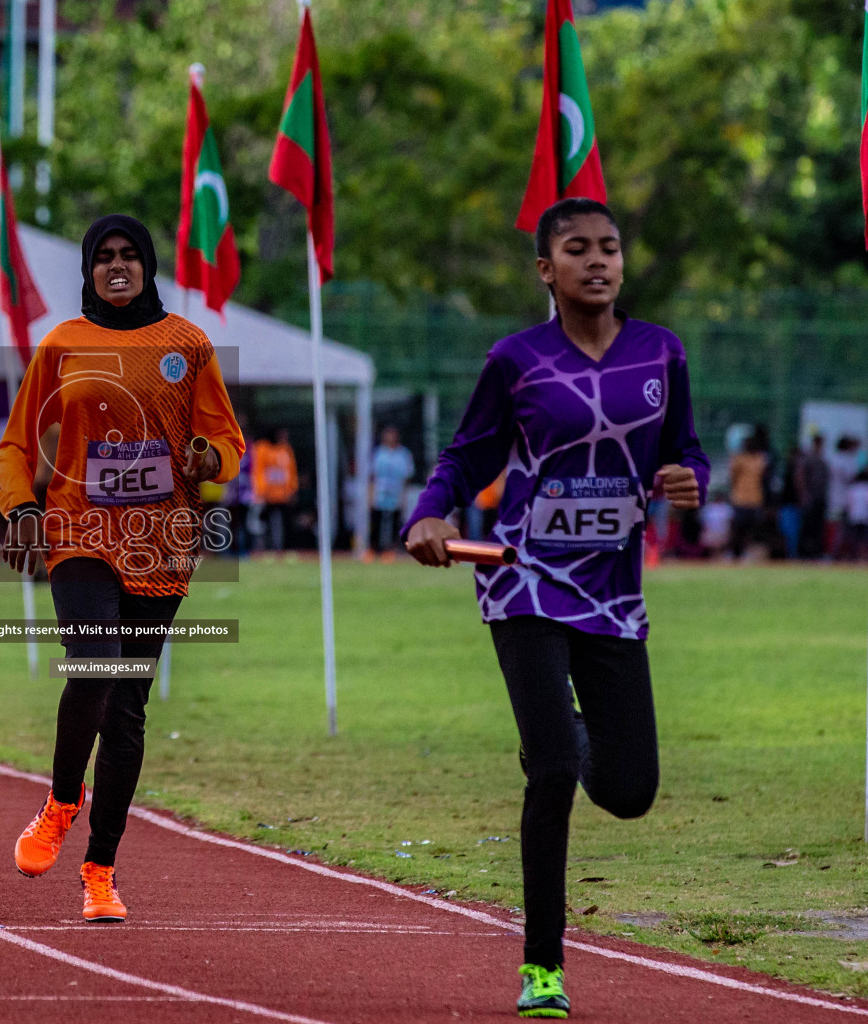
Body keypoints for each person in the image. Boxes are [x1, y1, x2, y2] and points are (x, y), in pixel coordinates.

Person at [403, 199, 707, 1019]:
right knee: (553, 775)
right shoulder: (516, 360)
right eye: (578, 250)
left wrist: (690, 479)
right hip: (524, 579)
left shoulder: (661, 353)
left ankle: (566, 735)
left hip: (611, 593)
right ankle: (543, 967)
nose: (598, 261)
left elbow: (685, 449)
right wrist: (429, 512)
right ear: (547, 270)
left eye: (609, 248)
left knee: (632, 788)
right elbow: (468, 455)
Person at [0, 214, 244, 923]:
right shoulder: (62, 342)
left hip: (161, 538)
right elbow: (18, 443)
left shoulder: (187, 344)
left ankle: (100, 870)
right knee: (95, 666)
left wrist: (210, 460)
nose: (116, 266)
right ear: (87, 268)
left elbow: (227, 437)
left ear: (149, 265)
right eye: (103, 256)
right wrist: (19, 510)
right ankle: (60, 802)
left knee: (128, 706)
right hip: (75, 528)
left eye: (129, 255)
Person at [368, 425, 415, 561]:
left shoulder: (404, 454)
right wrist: (370, 495)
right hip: (380, 493)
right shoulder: (378, 453)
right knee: (376, 522)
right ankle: (373, 549)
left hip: (396, 494)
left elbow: (407, 477)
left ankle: (390, 550)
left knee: (395, 523)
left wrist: (404, 497)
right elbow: (372, 476)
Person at [251, 428, 297, 552]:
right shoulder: (263, 448)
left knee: (285, 524)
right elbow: (258, 471)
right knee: (264, 524)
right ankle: (266, 549)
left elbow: (291, 471)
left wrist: (292, 489)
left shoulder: (286, 449)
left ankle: (284, 549)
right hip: (268, 496)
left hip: (283, 496)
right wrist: (261, 491)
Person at [727, 431, 767, 560]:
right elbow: (733, 477)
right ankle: (734, 553)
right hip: (740, 498)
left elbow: (762, 478)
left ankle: (746, 552)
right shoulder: (739, 459)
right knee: (738, 528)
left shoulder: (760, 459)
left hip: (755, 499)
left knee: (751, 530)